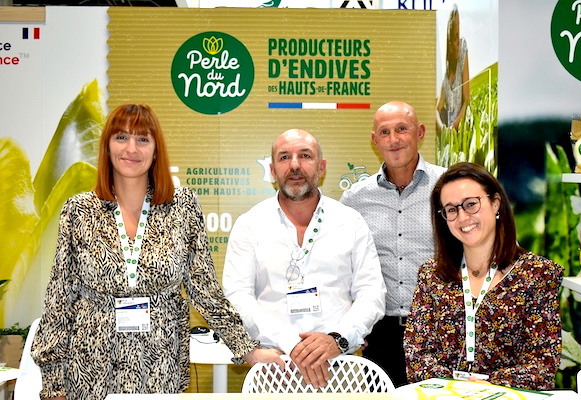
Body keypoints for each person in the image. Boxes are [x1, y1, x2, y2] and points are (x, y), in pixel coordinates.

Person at [31, 104, 283, 400]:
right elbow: (59, 299)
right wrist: (54, 386)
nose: (131, 149)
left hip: (160, 363)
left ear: (155, 150)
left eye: (143, 139)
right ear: (107, 146)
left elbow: (204, 289)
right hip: (91, 366)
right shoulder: (79, 211)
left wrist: (247, 349)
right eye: (121, 137)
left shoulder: (183, 206)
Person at [223, 129, 386, 389]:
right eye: (284, 157)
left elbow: (372, 292)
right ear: (272, 170)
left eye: (305, 156)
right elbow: (237, 296)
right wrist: (292, 344)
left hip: (339, 368)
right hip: (276, 368)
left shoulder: (350, 222)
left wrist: (337, 338)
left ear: (321, 166)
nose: (295, 165)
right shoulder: (250, 225)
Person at [404, 162, 563, 390]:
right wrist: (457, 386)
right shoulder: (432, 275)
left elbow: (543, 364)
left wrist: (485, 385)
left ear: (496, 203)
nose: (462, 217)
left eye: (471, 204)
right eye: (451, 210)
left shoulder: (537, 274)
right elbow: (416, 353)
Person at [340, 101, 445, 386]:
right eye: (384, 132)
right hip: (381, 333)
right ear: (375, 140)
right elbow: (339, 267)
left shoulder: (448, 186)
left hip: (441, 327)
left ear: (420, 132)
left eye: (402, 129)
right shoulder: (354, 200)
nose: (393, 139)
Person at [436, 4, 470, 131]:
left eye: (458, 35)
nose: (457, 42)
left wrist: (456, 124)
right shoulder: (446, 78)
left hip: (461, 129)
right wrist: (443, 129)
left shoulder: (463, 49)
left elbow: (467, 101)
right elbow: (437, 109)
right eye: (454, 37)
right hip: (449, 132)